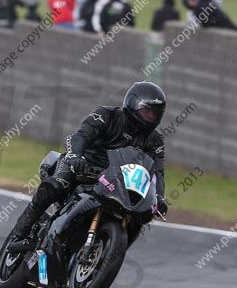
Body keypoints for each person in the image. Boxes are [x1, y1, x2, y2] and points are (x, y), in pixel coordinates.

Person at [9, 82, 168, 252]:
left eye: (155, 113)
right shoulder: (106, 115)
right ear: (132, 104)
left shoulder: (155, 141)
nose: (150, 117)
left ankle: (107, 252)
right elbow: (81, 135)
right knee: (57, 184)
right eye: (146, 111)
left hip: (115, 179)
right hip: (82, 164)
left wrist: (159, 197)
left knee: (138, 215)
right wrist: (75, 156)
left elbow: (157, 172)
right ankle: (21, 233)